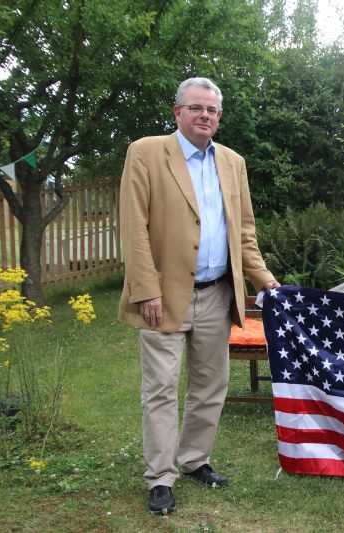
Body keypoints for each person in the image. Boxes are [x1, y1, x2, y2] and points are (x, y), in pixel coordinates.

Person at [118, 77, 280, 515]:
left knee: (212, 384)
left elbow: (243, 232)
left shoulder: (233, 162)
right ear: (177, 112)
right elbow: (133, 229)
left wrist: (265, 279)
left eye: (211, 110)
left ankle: (194, 460)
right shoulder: (147, 152)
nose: (204, 115)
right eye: (195, 107)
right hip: (163, 297)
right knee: (161, 388)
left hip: (215, 295)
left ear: (219, 116)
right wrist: (145, 289)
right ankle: (160, 477)